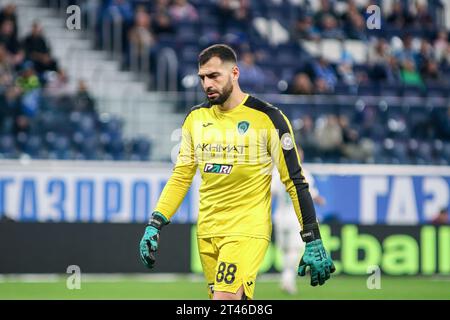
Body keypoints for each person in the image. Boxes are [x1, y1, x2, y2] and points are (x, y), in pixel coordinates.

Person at [139, 44, 335, 300]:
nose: (207, 84)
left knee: (225, 299)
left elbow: (295, 182)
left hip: (246, 228)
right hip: (208, 231)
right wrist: (155, 223)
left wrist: (312, 237)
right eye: (202, 78)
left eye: (214, 76)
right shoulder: (195, 119)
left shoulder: (268, 118)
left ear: (234, 73)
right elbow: (181, 176)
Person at [272, 148, 326, 295]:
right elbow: (310, 195)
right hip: (295, 219)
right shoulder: (304, 173)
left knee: (285, 251)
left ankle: (286, 279)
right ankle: (287, 279)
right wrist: (320, 200)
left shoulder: (277, 173)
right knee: (294, 251)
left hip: (279, 218)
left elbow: (270, 194)